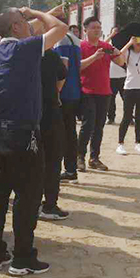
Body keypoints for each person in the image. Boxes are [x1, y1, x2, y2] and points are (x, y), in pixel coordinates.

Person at [0, 6, 67, 276]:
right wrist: (36, 11)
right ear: (17, 27)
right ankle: (22, 258)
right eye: (25, 22)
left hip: (1, 135)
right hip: (25, 136)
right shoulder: (25, 49)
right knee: (27, 198)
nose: (30, 25)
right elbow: (61, 28)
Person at [77, 16, 126, 172]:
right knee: (87, 125)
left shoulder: (106, 46)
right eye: (93, 27)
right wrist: (94, 57)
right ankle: (79, 157)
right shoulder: (80, 46)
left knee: (99, 127)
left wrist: (117, 52)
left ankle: (94, 158)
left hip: (104, 91)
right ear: (85, 30)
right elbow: (77, 67)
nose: (97, 30)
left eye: (99, 27)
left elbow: (121, 62)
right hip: (87, 91)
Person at [39, 45, 68, 220]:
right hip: (49, 113)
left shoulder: (8, 51)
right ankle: (49, 205)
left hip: (23, 115)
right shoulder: (49, 54)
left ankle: (32, 205)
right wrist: (55, 93)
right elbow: (62, 75)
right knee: (52, 160)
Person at [55, 32, 82, 183]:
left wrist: (56, 92)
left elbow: (62, 68)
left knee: (60, 134)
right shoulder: (75, 39)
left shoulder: (61, 40)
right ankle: (71, 169)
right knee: (70, 132)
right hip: (74, 92)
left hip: (63, 94)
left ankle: (62, 170)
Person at [107, 26, 125, 124]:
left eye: (117, 32)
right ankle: (111, 118)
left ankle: (129, 118)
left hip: (123, 76)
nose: (116, 34)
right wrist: (111, 36)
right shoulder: (108, 45)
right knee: (110, 100)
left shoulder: (123, 44)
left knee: (126, 99)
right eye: (114, 32)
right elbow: (100, 47)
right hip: (111, 77)